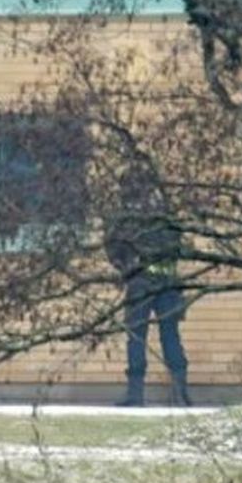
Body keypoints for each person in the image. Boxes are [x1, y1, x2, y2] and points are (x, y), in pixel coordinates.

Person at [104, 167, 190, 407]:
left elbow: (111, 246)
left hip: (141, 284)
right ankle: (180, 395)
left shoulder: (124, 216)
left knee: (137, 338)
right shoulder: (165, 213)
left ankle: (136, 397)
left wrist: (126, 267)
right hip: (167, 283)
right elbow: (177, 245)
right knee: (170, 337)